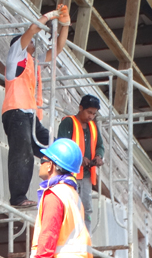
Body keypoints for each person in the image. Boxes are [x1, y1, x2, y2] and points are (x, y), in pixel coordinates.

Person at [2, 4, 70, 207]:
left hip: (30, 116)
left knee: (56, 149)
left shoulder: (33, 62)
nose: (33, 43)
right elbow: (32, 29)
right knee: (21, 152)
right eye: (30, 42)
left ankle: (59, 190)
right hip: (16, 112)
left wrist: (65, 24)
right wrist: (49, 17)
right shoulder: (16, 56)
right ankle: (18, 198)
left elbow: (57, 49)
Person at [32, 138, 92, 258]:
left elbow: (48, 235)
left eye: (43, 160)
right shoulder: (72, 194)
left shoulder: (54, 194)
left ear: (50, 165)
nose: (41, 164)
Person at [57, 94, 104, 231]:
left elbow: (100, 145)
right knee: (71, 206)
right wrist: (78, 158)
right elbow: (62, 145)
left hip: (86, 175)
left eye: (94, 114)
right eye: (89, 112)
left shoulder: (93, 127)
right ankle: (71, 236)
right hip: (70, 173)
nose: (91, 116)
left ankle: (85, 238)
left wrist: (99, 156)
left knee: (86, 208)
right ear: (80, 108)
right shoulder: (68, 122)